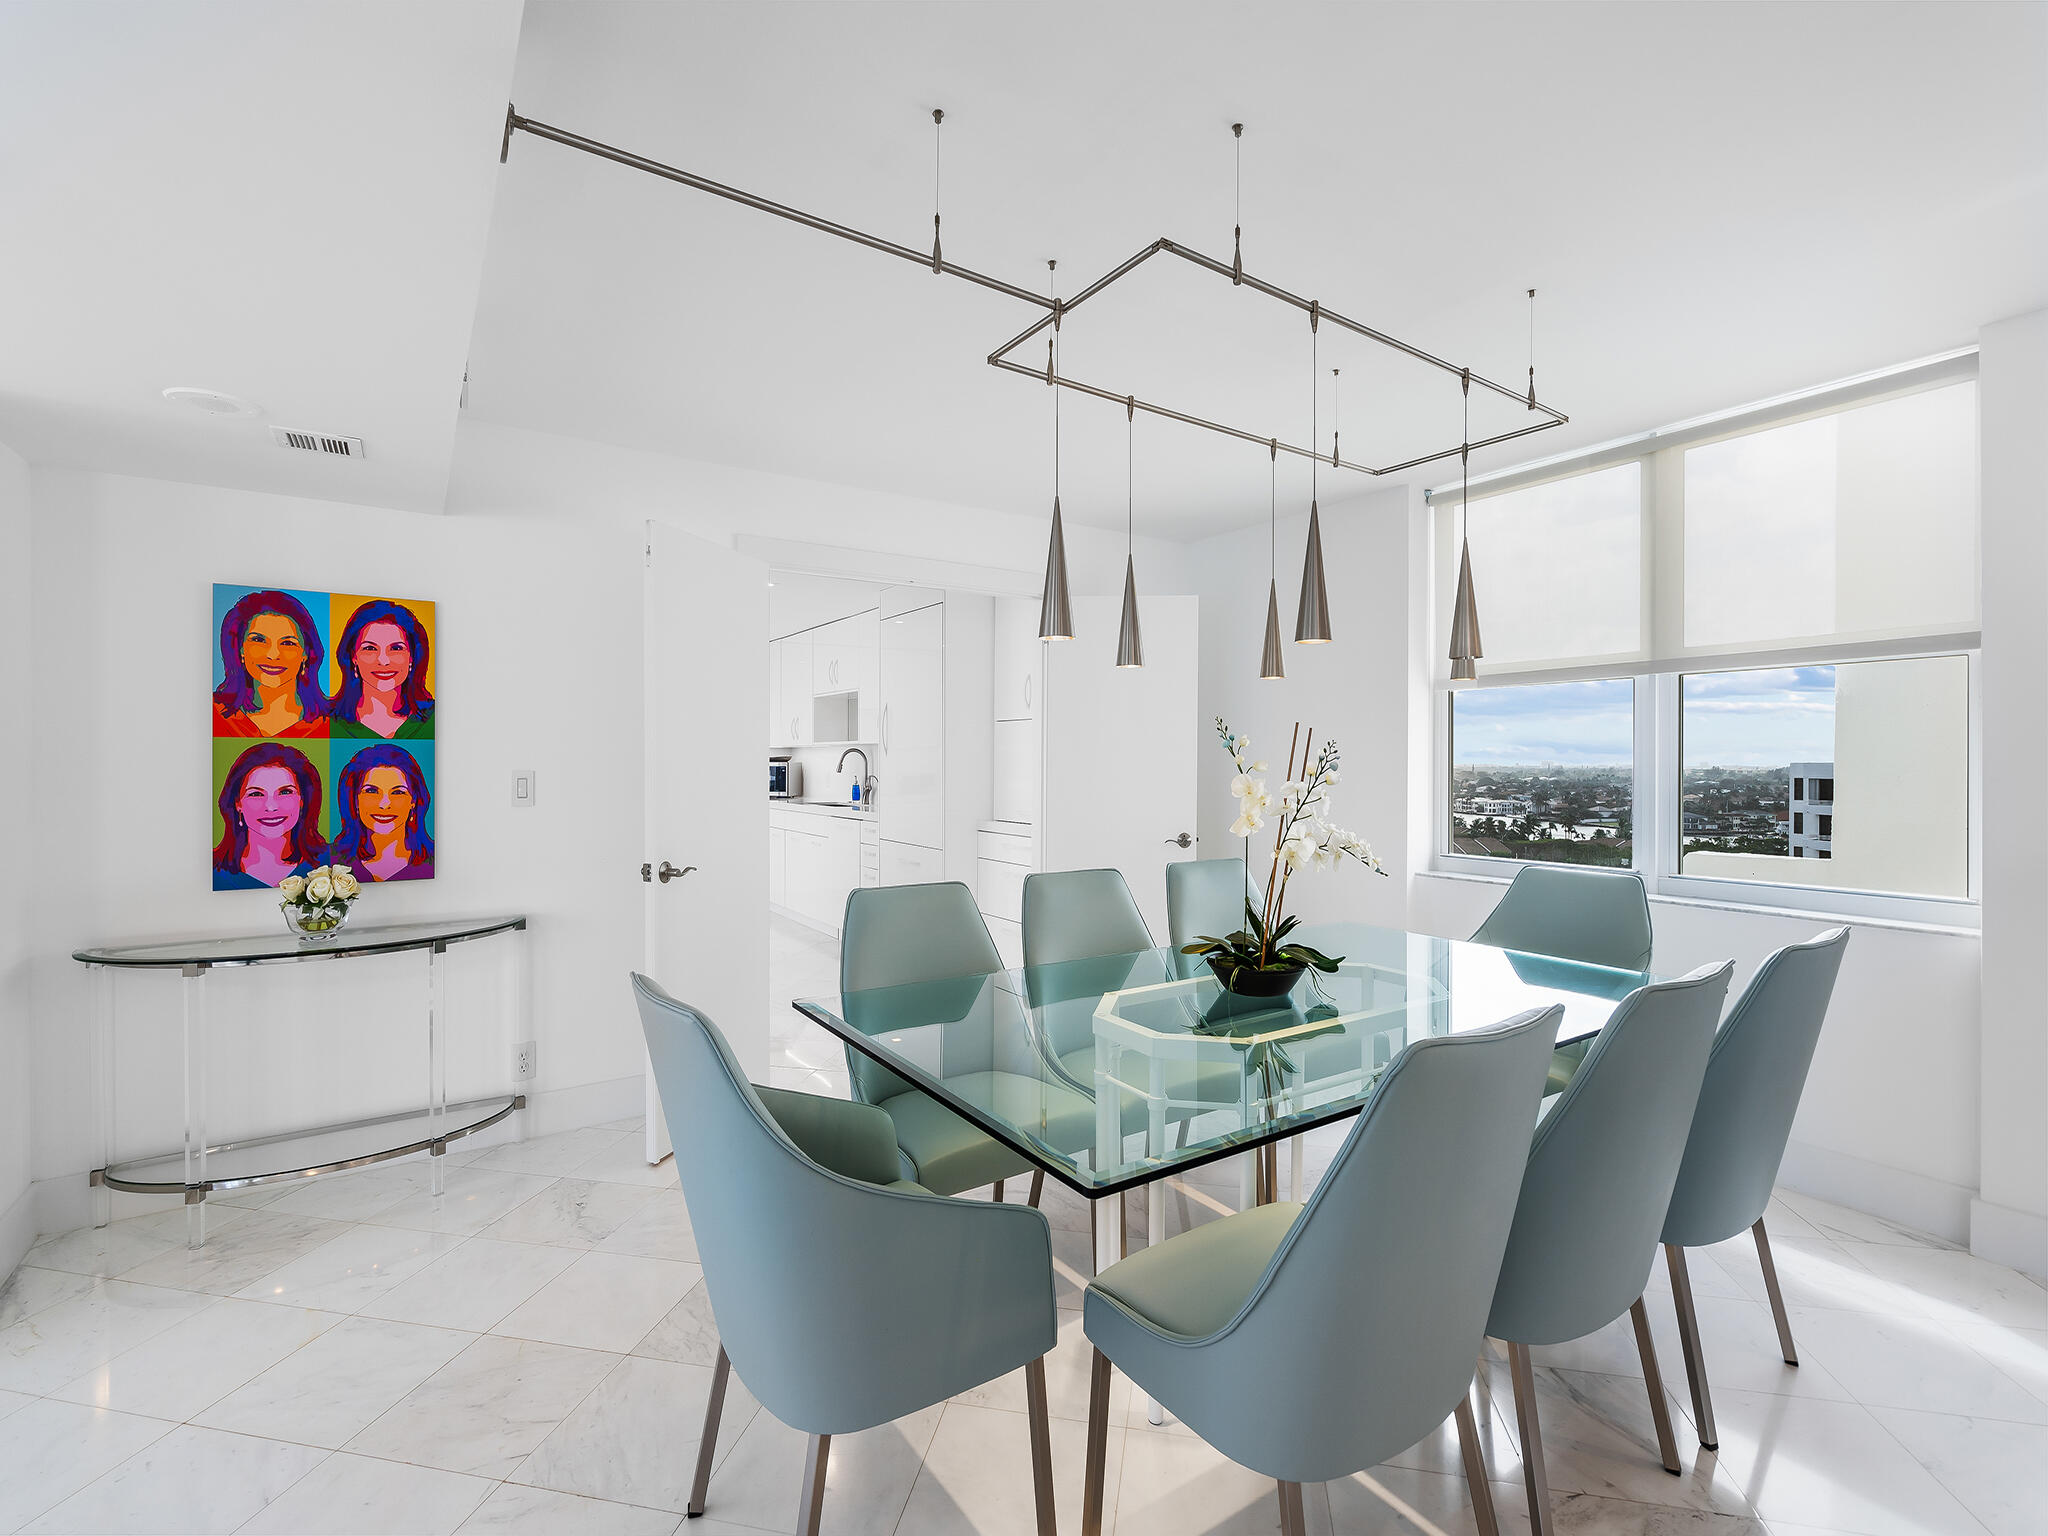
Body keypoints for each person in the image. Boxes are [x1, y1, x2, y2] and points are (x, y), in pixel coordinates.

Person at [213, 589, 327, 738]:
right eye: (259, 640)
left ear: (305, 654)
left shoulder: (329, 723)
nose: (273, 655)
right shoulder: (214, 713)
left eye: (287, 643)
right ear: (240, 649)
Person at [212, 742, 326, 890]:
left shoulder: (329, 862)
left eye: (285, 792)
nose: (271, 807)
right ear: (237, 803)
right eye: (256, 794)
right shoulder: (212, 870)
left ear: (302, 800)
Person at [329, 598, 435, 740]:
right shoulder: (328, 722)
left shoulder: (435, 718)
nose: (383, 661)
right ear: (354, 657)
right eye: (370, 648)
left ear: (412, 657)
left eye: (396, 648)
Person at [331, 743, 435, 881]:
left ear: (413, 801)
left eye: (398, 792)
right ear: (354, 800)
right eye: (371, 791)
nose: (384, 804)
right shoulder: (329, 858)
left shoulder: (435, 859)